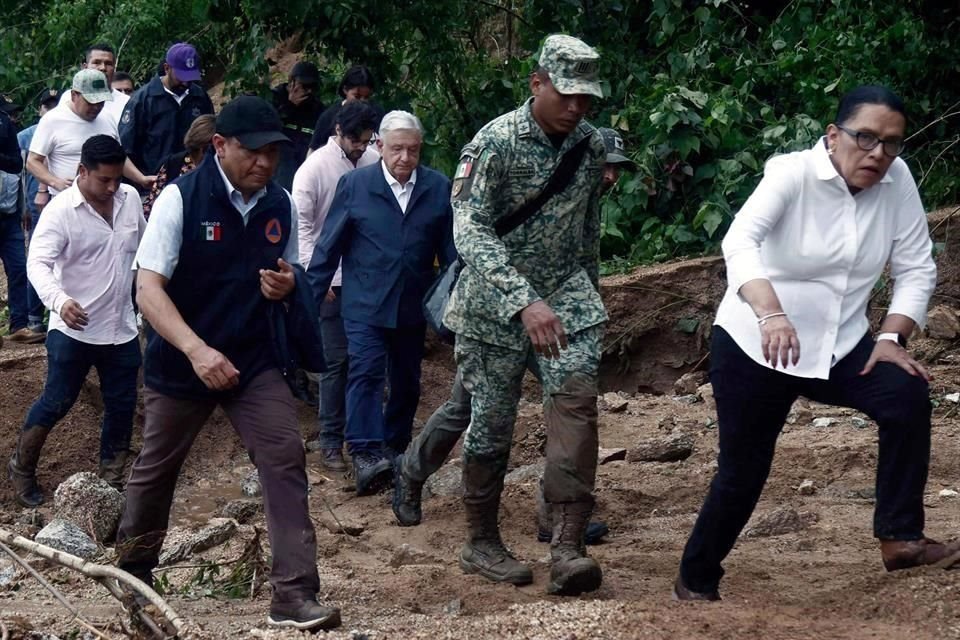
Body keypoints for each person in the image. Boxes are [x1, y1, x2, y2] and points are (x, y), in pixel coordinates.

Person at [674, 85, 958, 602]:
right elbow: (739, 241)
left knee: (905, 395)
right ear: (834, 135)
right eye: (865, 138)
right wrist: (771, 312)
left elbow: (917, 266)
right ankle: (696, 578)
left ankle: (900, 538)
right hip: (756, 343)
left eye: (892, 143)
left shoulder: (897, 180)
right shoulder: (792, 173)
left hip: (840, 343)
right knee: (744, 470)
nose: (878, 154)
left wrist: (893, 336)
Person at [115, 96, 340, 632]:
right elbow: (146, 290)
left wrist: (287, 287)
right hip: (182, 361)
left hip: (253, 359)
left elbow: (289, 270)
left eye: (273, 153)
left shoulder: (279, 204)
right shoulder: (180, 200)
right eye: (253, 151)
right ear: (220, 145)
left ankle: (293, 595)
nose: (264, 162)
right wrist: (196, 350)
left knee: (284, 456)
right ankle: (134, 582)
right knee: (155, 472)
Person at [392, 122, 639, 541]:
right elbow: (473, 227)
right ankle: (412, 472)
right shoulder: (518, 163)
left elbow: (586, 255)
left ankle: (553, 519)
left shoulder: (584, 201)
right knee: (462, 409)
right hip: (496, 316)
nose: (611, 176)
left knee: (564, 410)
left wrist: (587, 309)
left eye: (616, 169)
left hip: (556, 320)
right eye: (606, 167)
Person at [438, 34, 608, 596]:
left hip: (566, 298)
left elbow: (586, 229)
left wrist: (589, 291)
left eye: (586, 97)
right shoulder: (495, 143)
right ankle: (480, 542)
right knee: (491, 423)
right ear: (537, 83)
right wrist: (522, 299)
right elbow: (469, 228)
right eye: (566, 95)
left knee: (577, 405)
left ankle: (566, 547)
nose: (577, 107)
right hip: (494, 307)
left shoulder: (589, 147)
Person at [306, 110, 456, 495]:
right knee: (367, 373)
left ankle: (395, 447)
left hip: (411, 303)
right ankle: (365, 452)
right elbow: (329, 246)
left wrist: (453, 298)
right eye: (396, 149)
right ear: (380, 147)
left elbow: (452, 253)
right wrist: (307, 301)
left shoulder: (437, 188)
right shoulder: (356, 185)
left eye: (412, 150)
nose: (404, 158)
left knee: (407, 381)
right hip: (364, 302)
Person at [8, 135, 145, 505]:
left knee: (122, 405)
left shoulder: (130, 201)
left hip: (122, 328)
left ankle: (110, 483)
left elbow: (144, 252)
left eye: (118, 179)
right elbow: (37, 263)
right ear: (82, 171)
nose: (113, 187)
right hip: (73, 329)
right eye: (104, 180)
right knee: (57, 400)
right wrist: (59, 300)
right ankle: (21, 466)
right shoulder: (61, 212)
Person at [292, 100, 380, 471]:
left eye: (367, 140)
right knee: (334, 363)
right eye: (356, 140)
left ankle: (367, 438)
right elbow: (303, 227)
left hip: (367, 278)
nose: (362, 146)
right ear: (338, 133)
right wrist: (318, 274)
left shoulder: (376, 161)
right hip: (331, 280)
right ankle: (330, 441)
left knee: (370, 360)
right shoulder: (313, 170)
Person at [29, 70, 154, 208]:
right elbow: (33, 161)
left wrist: (141, 178)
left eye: (101, 102)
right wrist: (54, 182)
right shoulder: (53, 120)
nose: (96, 107)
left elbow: (118, 157)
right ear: (74, 95)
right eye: (90, 102)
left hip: (106, 200)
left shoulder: (106, 117)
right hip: (68, 202)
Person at [119, 42, 214, 176]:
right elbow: (125, 148)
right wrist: (140, 178)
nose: (185, 83)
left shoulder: (199, 97)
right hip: (153, 182)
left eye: (190, 77)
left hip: (193, 179)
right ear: (167, 68)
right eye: (181, 77)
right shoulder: (143, 100)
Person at [19, 92, 63, 339]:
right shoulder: (26, 136)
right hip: (38, 204)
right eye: (48, 106)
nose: (51, 110)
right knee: (39, 257)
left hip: (57, 199)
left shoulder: (66, 126)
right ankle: (35, 319)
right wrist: (24, 206)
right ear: (40, 109)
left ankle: (49, 316)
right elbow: (21, 175)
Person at [0, 105, 33, 345]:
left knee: (19, 268)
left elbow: (17, 165)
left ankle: (19, 325)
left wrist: (23, 208)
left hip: (8, 210)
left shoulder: (5, 122)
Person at [141, 114, 215, 219]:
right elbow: (150, 208)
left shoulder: (227, 174)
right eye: (193, 151)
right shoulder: (174, 164)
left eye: (208, 151)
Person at [272, 61, 324, 190]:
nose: (309, 91)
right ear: (291, 82)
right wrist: (290, 106)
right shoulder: (276, 98)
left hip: (304, 162)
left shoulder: (317, 108)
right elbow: (268, 126)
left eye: (313, 87)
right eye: (305, 86)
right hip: (280, 164)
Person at [307, 65, 385, 152]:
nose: (362, 102)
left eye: (366, 97)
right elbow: (313, 150)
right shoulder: (329, 116)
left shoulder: (378, 114)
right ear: (345, 90)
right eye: (357, 96)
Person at [57, 44, 130, 127]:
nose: (103, 68)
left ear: (114, 68)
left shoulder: (127, 102)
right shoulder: (69, 97)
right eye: (97, 62)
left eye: (108, 63)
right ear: (85, 67)